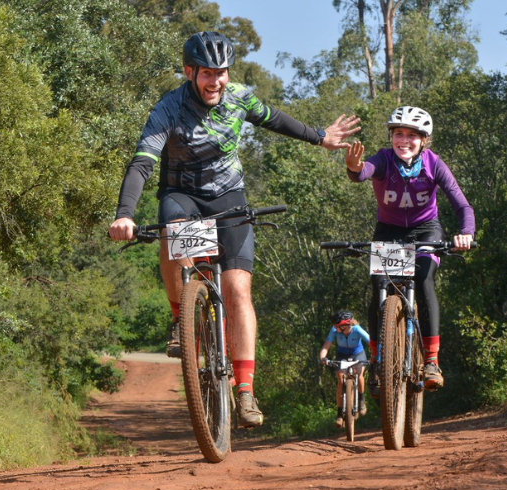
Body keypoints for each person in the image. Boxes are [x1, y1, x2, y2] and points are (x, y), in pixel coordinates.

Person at [108, 31, 361, 428]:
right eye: (207, 73)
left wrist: (320, 137)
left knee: (238, 289)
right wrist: (125, 213)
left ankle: (244, 391)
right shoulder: (168, 109)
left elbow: (274, 119)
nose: (216, 82)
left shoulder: (239, 96)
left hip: (229, 198)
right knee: (171, 232)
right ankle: (180, 318)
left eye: (222, 73)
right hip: (182, 195)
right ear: (190, 72)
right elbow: (142, 162)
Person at [344, 106, 475, 395]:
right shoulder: (384, 158)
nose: (404, 140)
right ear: (391, 137)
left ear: (423, 140)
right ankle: (378, 360)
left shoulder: (433, 164)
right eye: (398, 134)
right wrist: (354, 167)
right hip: (389, 232)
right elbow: (364, 171)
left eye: (412, 135)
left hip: (426, 230)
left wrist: (466, 233)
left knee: (424, 280)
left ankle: (431, 362)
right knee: (378, 287)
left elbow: (461, 204)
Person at [319, 310, 370, 428]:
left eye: (337, 326)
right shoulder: (334, 331)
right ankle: (339, 414)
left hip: (358, 355)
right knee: (341, 380)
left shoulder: (357, 330)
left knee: (359, 374)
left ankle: (361, 400)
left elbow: (371, 342)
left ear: (345, 325)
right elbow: (326, 346)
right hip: (342, 356)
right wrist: (323, 357)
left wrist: (377, 356)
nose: (335, 328)